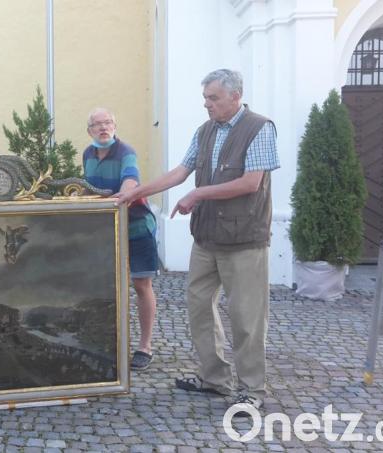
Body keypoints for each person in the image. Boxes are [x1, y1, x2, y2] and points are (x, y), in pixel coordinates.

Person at [116, 69, 279, 414]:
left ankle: (252, 388)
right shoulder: (205, 131)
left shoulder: (260, 127)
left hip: (244, 240)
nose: (207, 104)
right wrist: (136, 193)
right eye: (205, 98)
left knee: (246, 317)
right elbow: (180, 171)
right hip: (206, 238)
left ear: (235, 97)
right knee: (199, 308)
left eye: (213, 98)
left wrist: (200, 193)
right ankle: (213, 379)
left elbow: (251, 183)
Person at [83, 108, 160, 371]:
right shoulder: (88, 154)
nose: (103, 128)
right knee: (106, 287)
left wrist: (120, 198)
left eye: (108, 123)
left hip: (137, 227)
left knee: (141, 284)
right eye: (97, 124)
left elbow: (130, 181)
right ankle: (108, 343)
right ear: (90, 130)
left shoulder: (126, 152)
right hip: (106, 228)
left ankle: (145, 347)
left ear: (115, 126)